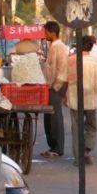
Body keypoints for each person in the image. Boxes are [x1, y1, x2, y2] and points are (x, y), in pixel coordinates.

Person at [66, 34, 97, 166]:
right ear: (90, 47)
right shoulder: (95, 63)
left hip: (74, 100)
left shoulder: (72, 61)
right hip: (91, 100)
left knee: (76, 128)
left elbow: (65, 80)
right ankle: (86, 150)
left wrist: (63, 96)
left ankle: (78, 158)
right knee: (91, 127)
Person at [41, 21, 68, 159]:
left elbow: (63, 68)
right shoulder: (52, 46)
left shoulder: (60, 47)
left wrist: (57, 87)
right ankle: (52, 145)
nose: (44, 34)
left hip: (56, 86)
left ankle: (58, 148)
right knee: (48, 118)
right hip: (50, 86)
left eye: (46, 32)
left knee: (55, 117)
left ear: (52, 32)